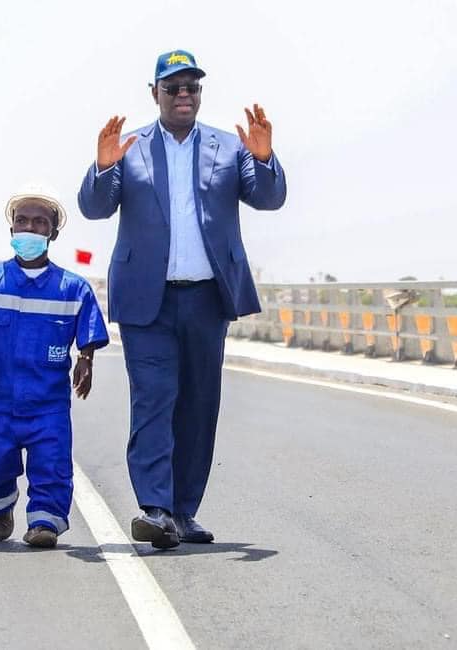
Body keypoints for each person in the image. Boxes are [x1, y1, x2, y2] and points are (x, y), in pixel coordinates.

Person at [78, 50, 287, 548]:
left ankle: (184, 511)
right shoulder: (129, 149)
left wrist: (262, 158)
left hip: (206, 300)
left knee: (197, 405)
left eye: (191, 87)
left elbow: (269, 197)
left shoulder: (226, 147)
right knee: (153, 401)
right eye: (172, 88)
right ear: (155, 94)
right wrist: (103, 168)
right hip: (146, 303)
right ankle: (154, 507)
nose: (183, 96)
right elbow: (93, 208)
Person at [0, 186, 109, 548]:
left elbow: (89, 335)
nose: (30, 229)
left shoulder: (73, 289)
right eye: (22, 221)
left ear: (52, 233)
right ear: (11, 231)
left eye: (39, 223)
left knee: (52, 466)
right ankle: (0, 503)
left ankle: (44, 522)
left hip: (48, 405)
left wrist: (86, 359)